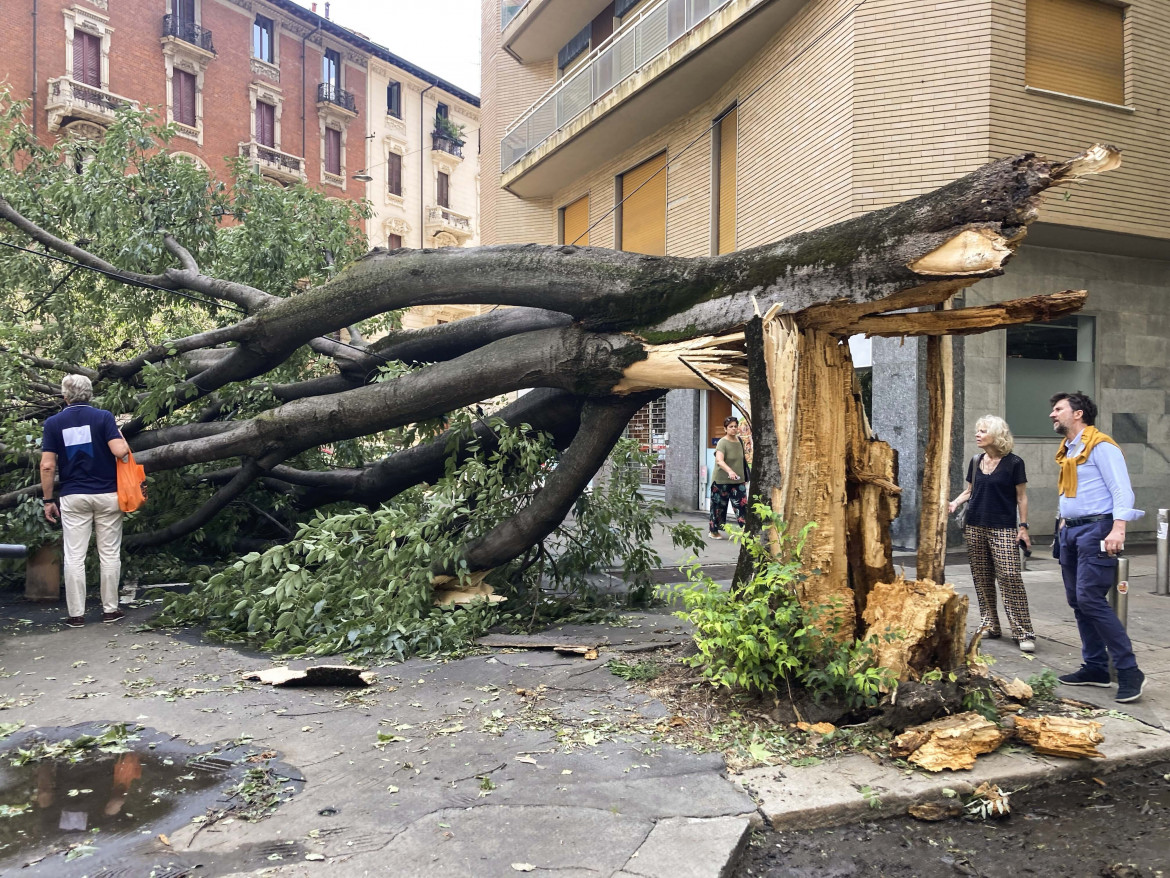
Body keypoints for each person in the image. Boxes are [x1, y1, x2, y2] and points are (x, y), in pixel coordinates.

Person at [1049, 391, 1146, 703]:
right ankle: (1095, 667)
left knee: (1091, 599)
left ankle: (1129, 670)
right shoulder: (1068, 449)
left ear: (1078, 414)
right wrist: (1063, 522)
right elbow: (1070, 493)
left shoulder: (1101, 445)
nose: (1053, 414)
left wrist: (1119, 528)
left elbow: (1121, 489)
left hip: (1098, 530)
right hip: (1071, 531)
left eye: (1058, 409)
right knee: (1077, 600)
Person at [39, 375, 130, 627]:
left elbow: (47, 466)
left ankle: (76, 615)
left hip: (73, 496)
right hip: (107, 494)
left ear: (65, 396)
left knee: (74, 556)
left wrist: (48, 500)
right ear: (89, 394)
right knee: (109, 553)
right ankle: (110, 611)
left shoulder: (53, 423)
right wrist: (119, 435)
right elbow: (120, 452)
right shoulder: (103, 417)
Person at [948, 415, 1036, 652]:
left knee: (1010, 577)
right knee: (982, 577)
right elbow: (970, 491)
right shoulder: (976, 460)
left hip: (1004, 528)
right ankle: (990, 624)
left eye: (983, 431)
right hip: (975, 525)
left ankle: (1023, 631)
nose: (977, 434)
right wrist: (954, 503)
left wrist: (1023, 527)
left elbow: (1021, 497)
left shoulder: (1014, 463)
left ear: (997, 435)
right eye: (977, 430)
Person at [709, 416, 747, 539]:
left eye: (735, 426)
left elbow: (742, 461)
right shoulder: (722, 442)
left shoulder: (740, 441)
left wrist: (744, 477)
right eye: (730, 427)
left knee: (742, 505)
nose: (734, 429)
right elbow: (719, 461)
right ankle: (714, 531)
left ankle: (746, 531)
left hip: (737, 481)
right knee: (718, 507)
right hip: (721, 480)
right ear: (725, 429)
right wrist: (730, 471)